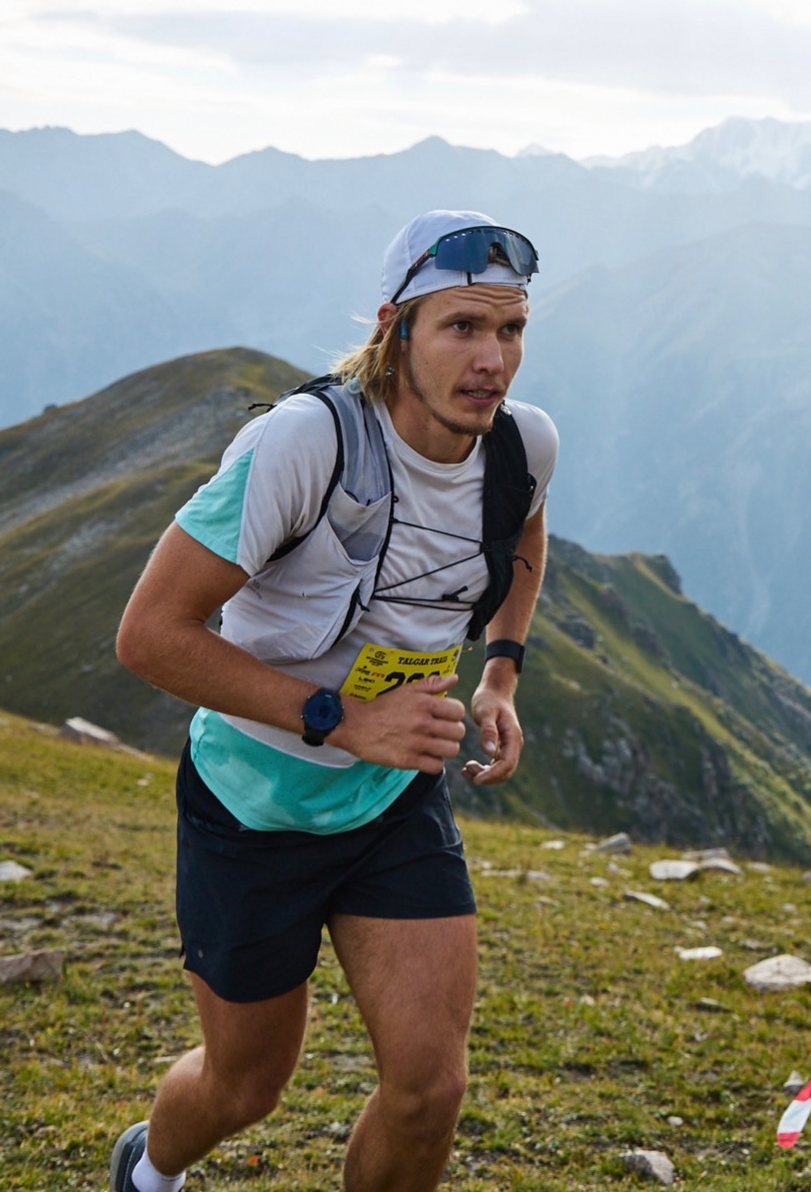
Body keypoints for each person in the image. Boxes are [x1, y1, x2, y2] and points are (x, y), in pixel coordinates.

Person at [107, 210, 556, 1192]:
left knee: (428, 1089)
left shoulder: (521, 446)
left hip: (388, 804)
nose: (493, 360)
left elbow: (522, 537)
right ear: (396, 328)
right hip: (252, 810)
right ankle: (147, 1169)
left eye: (510, 331)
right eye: (462, 329)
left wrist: (500, 672)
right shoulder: (302, 446)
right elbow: (149, 635)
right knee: (243, 1087)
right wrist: (345, 722)